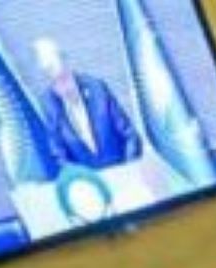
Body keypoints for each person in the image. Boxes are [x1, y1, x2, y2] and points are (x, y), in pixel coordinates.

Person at [33, 38, 140, 170]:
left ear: (69, 68)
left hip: (121, 169)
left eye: (64, 78)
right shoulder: (49, 105)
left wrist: (129, 169)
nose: (64, 88)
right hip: (88, 180)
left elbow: (130, 135)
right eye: (56, 82)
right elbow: (59, 156)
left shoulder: (97, 89)